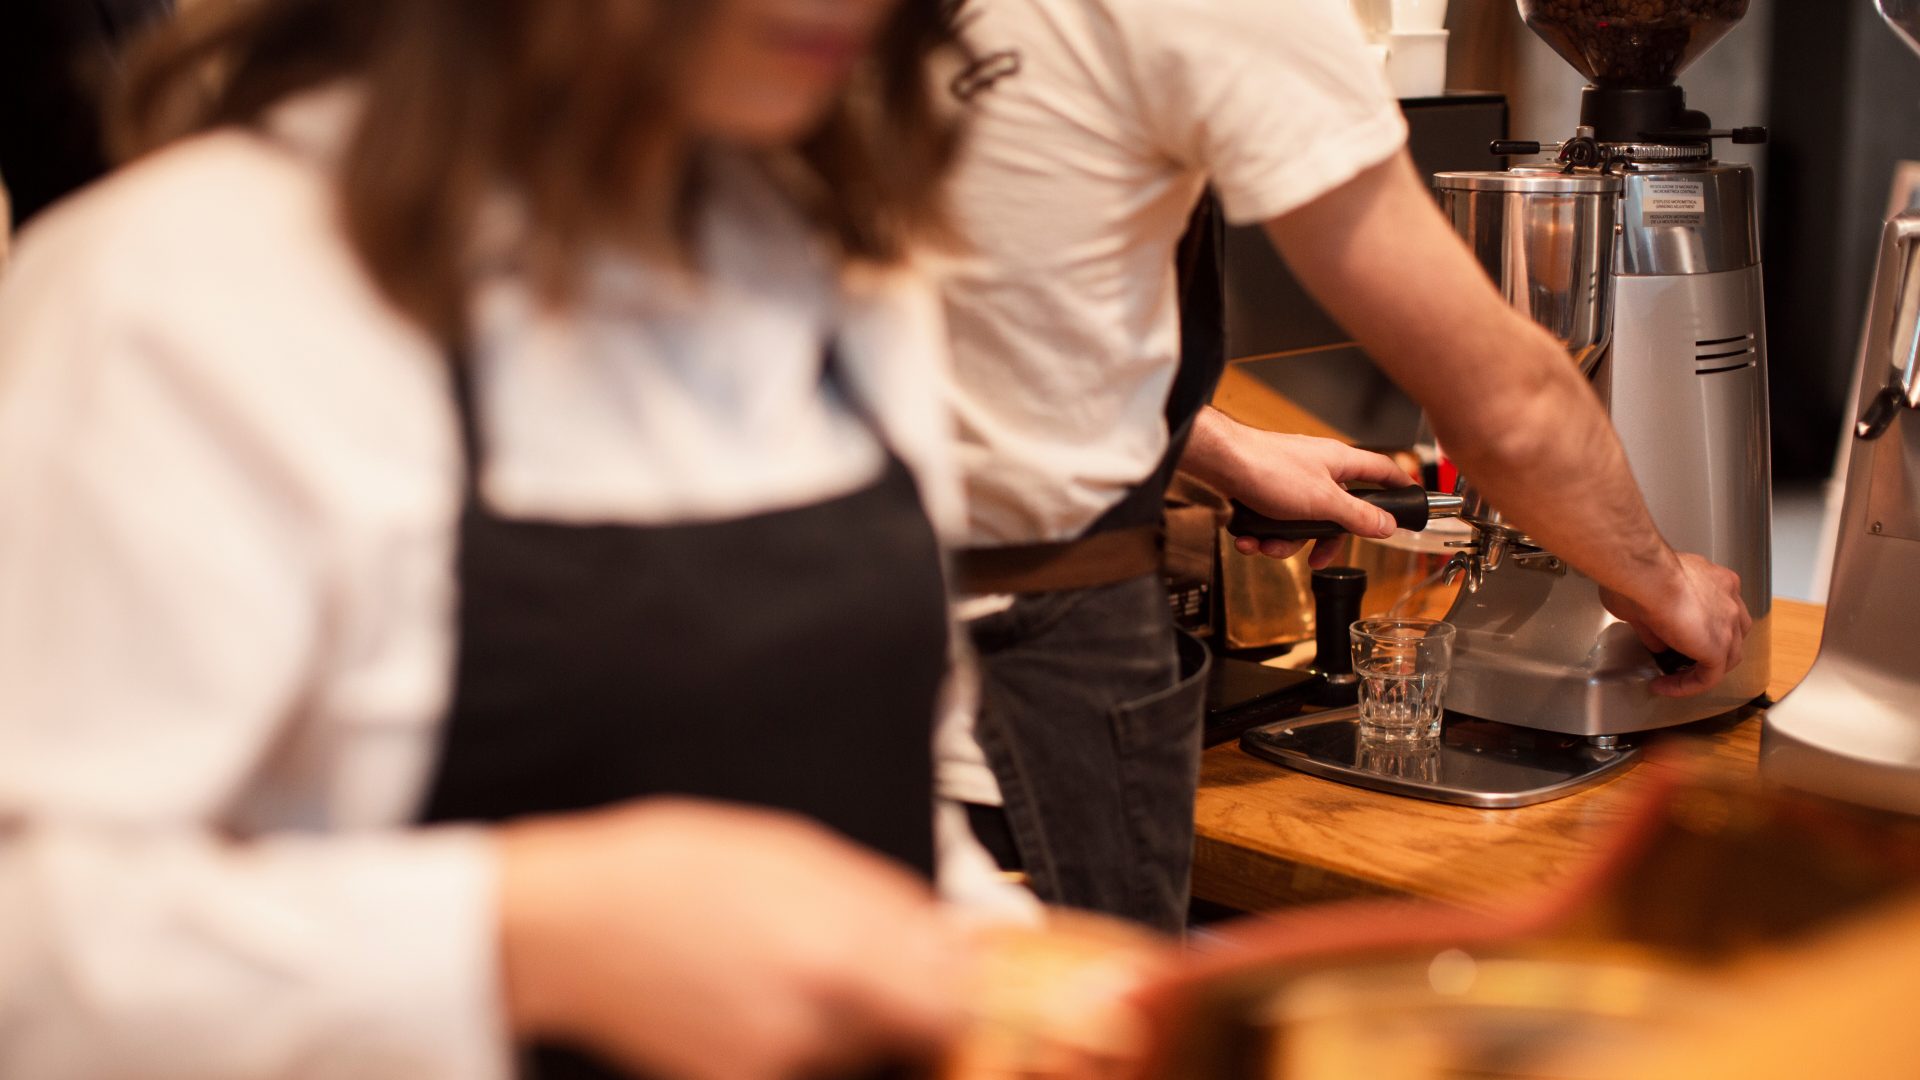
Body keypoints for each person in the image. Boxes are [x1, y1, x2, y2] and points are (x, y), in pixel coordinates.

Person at [0, 1, 983, 1077]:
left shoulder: (831, 266)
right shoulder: (185, 293)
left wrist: (1014, 972)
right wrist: (515, 935)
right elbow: (31, 955)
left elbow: (894, 827)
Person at [936, 0, 1753, 931]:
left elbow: (990, 330)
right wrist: (1662, 583)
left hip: (839, 645)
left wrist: (1225, 446)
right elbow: (1509, 403)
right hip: (1021, 689)